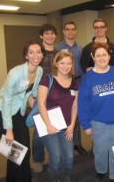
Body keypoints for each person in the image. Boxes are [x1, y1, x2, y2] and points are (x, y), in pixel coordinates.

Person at [0, 40, 44, 182]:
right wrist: (8, 130)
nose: (36, 55)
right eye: (31, 52)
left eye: (38, 52)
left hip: (18, 111)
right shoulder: (15, 73)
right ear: (26, 56)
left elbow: (32, 94)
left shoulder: (39, 71)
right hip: (1, 110)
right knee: (14, 152)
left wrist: (38, 113)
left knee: (24, 150)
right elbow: (7, 102)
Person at [78, 42, 114, 182]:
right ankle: (101, 170)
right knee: (100, 150)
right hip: (97, 122)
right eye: (98, 55)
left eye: (104, 54)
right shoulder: (87, 78)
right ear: (93, 56)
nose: (102, 58)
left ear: (109, 56)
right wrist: (85, 125)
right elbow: (83, 103)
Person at [37, 51, 78, 182]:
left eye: (69, 63)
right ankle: (55, 177)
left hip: (66, 125)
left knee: (69, 157)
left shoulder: (74, 82)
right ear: (56, 64)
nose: (66, 67)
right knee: (56, 157)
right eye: (62, 63)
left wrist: (72, 125)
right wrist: (48, 125)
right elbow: (41, 103)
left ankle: (66, 175)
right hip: (49, 125)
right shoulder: (47, 79)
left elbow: (74, 106)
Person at [56, 21, 87, 155]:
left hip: (77, 81)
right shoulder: (58, 48)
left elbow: (83, 66)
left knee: (76, 112)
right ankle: (63, 142)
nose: (70, 32)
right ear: (64, 31)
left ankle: (77, 144)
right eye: (67, 29)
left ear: (76, 31)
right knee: (63, 111)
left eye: (73, 29)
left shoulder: (80, 49)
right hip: (62, 82)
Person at [32, 23, 58, 173]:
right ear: (41, 36)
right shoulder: (37, 53)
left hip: (56, 98)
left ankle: (56, 157)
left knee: (56, 127)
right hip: (39, 98)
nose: (49, 36)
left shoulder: (59, 53)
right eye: (46, 33)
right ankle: (38, 160)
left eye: (52, 33)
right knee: (37, 132)